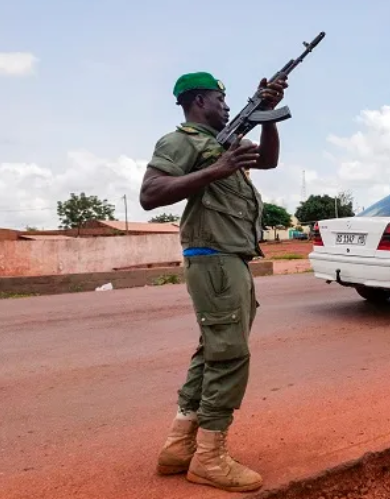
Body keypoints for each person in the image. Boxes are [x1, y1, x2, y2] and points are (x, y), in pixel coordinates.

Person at [139, 71, 288, 493]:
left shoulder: (224, 141)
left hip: (230, 258)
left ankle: (179, 446)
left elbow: (270, 161)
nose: (226, 105)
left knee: (214, 350)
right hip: (214, 259)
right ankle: (209, 458)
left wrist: (267, 114)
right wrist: (215, 170)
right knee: (230, 355)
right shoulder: (180, 141)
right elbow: (150, 194)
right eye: (221, 98)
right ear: (199, 101)